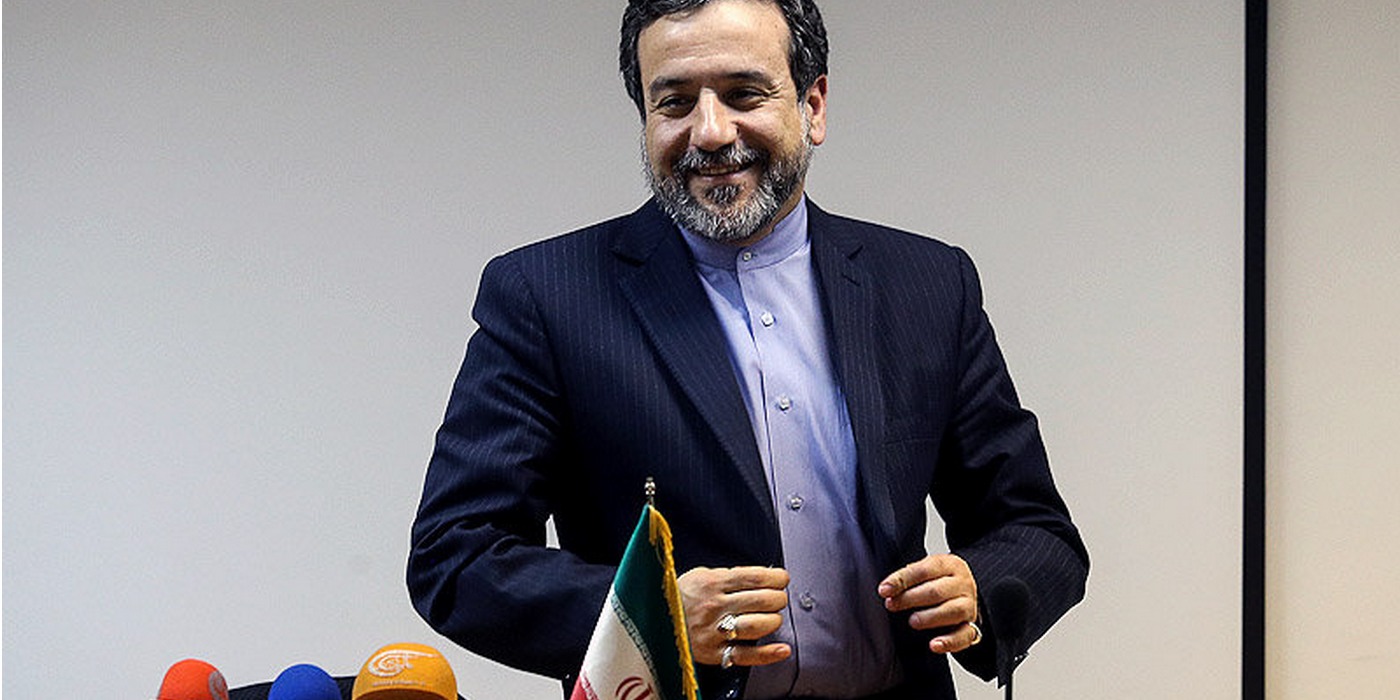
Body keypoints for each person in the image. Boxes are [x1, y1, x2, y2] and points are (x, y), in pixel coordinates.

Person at [407, 1, 1088, 698]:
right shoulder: (546, 296)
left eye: (743, 94)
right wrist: (650, 616)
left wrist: (978, 587)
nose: (709, 131)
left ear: (813, 106)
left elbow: (1035, 530)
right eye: (674, 102)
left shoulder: (929, 284)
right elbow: (455, 555)